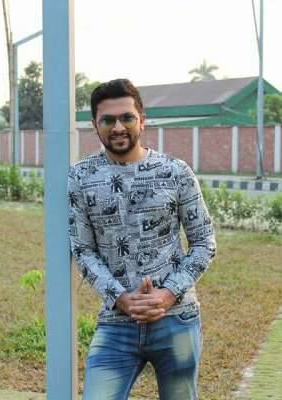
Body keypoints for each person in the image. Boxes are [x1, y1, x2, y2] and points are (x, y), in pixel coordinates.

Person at [68, 79, 216, 400]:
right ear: (94, 125)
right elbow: (82, 249)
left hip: (175, 318)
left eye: (127, 117)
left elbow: (204, 242)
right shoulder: (80, 177)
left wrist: (167, 294)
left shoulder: (175, 172)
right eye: (108, 120)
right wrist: (121, 298)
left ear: (142, 120)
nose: (118, 127)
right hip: (116, 322)